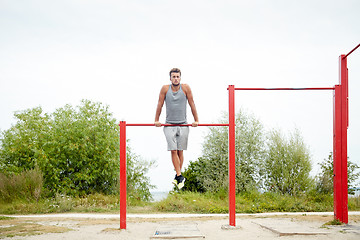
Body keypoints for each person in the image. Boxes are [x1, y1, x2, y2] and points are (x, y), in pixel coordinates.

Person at [154, 68, 199, 189]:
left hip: (183, 124)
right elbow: (160, 104)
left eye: (177, 76)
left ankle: (177, 176)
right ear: (170, 78)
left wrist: (196, 120)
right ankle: (179, 175)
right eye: (173, 77)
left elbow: (192, 103)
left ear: (180, 78)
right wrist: (156, 120)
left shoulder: (185, 88)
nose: (176, 78)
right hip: (169, 124)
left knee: (180, 151)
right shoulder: (165, 89)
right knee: (173, 150)